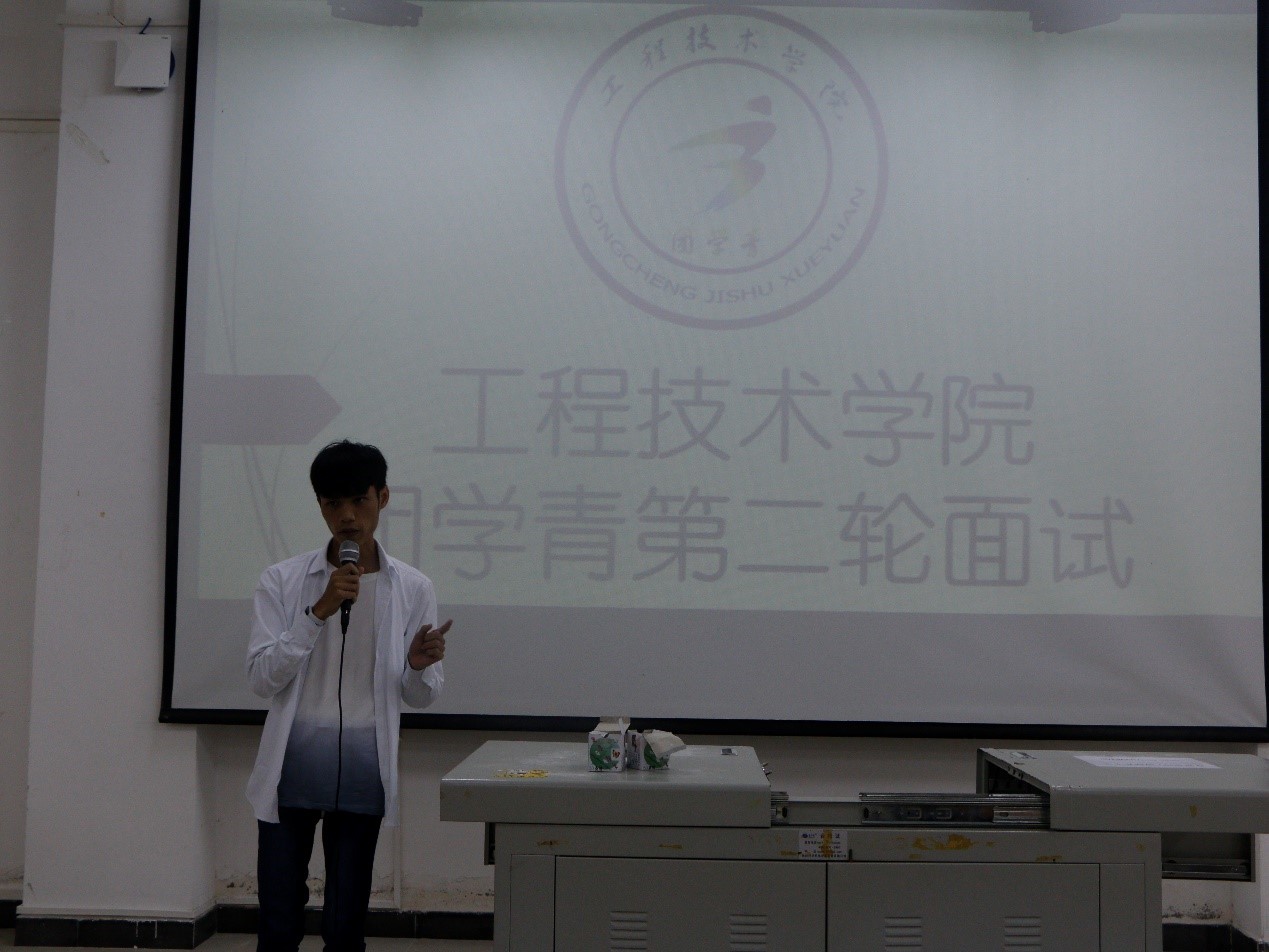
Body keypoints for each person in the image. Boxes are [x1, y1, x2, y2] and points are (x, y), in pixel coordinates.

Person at [245, 440, 451, 952]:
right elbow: (261, 678)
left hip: (363, 765)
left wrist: (417, 667)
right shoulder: (282, 581)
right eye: (333, 503)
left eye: (359, 500)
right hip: (291, 766)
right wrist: (317, 612)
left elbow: (420, 696)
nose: (347, 517)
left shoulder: (413, 587)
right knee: (278, 922)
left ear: (383, 498)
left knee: (344, 925)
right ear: (320, 507)